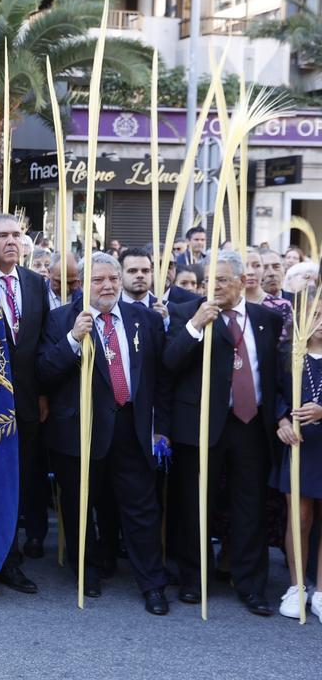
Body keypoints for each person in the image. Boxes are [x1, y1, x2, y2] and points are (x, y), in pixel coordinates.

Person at [37, 253, 171, 614]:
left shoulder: (144, 319)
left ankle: (153, 584)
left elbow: (160, 379)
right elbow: (44, 372)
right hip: (80, 428)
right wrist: (71, 340)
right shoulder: (61, 319)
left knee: (141, 508)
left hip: (131, 427)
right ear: (82, 283)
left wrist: (161, 429)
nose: (108, 286)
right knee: (80, 504)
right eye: (98, 280)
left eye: (113, 278)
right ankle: (87, 570)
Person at [163, 250, 288, 616]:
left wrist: (280, 415)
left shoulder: (266, 319)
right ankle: (193, 579)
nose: (213, 287)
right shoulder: (189, 314)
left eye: (221, 280)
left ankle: (251, 584)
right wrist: (196, 326)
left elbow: (275, 374)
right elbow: (170, 362)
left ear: (241, 280)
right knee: (196, 504)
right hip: (201, 424)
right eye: (208, 281)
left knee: (249, 506)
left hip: (250, 425)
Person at [0, 213, 46, 594]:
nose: (11, 241)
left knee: (17, 485)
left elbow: (43, 345)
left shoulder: (35, 285)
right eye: (2, 235)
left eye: (17, 235)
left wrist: (42, 395)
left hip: (26, 404)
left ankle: (9, 560)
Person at [271, 309, 322, 621]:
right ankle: (297, 585)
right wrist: (281, 420)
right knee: (299, 517)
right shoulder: (288, 354)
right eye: (316, 314)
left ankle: (321, 592)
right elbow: (273, 392)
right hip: (299, 444)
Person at [119, 249, 169, 325]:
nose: (140, 275)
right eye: (132, 271)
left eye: (145, 271)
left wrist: (166, 322)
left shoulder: (168, 308)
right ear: (120, 274)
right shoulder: (109, 309)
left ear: (151, 273)